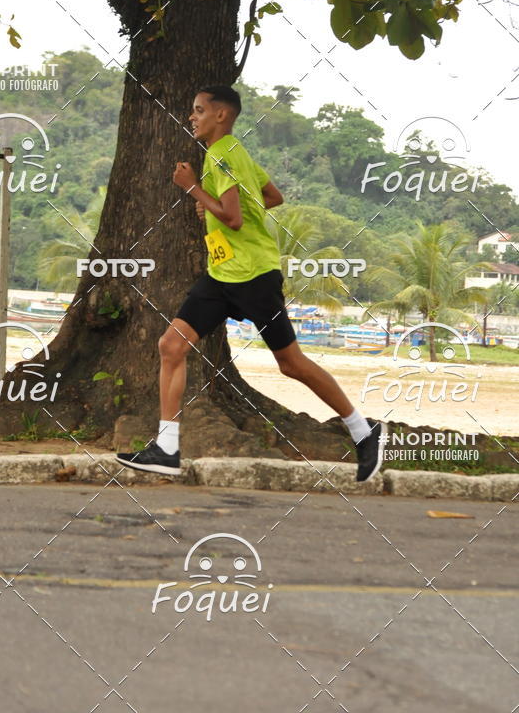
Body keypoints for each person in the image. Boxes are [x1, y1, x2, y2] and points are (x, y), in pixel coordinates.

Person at [116, 85, 385, 482]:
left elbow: (234, 218)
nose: (192, 117)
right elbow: (272, 197)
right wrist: (212, 200)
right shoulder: (236, 154)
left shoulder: (221, 153)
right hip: (223, 274)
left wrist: (193, 189)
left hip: (254, 275)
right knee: (171, 345)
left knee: (291, 363)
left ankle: (365, 432)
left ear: (220, 116)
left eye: (198, 110)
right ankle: (167, 448)